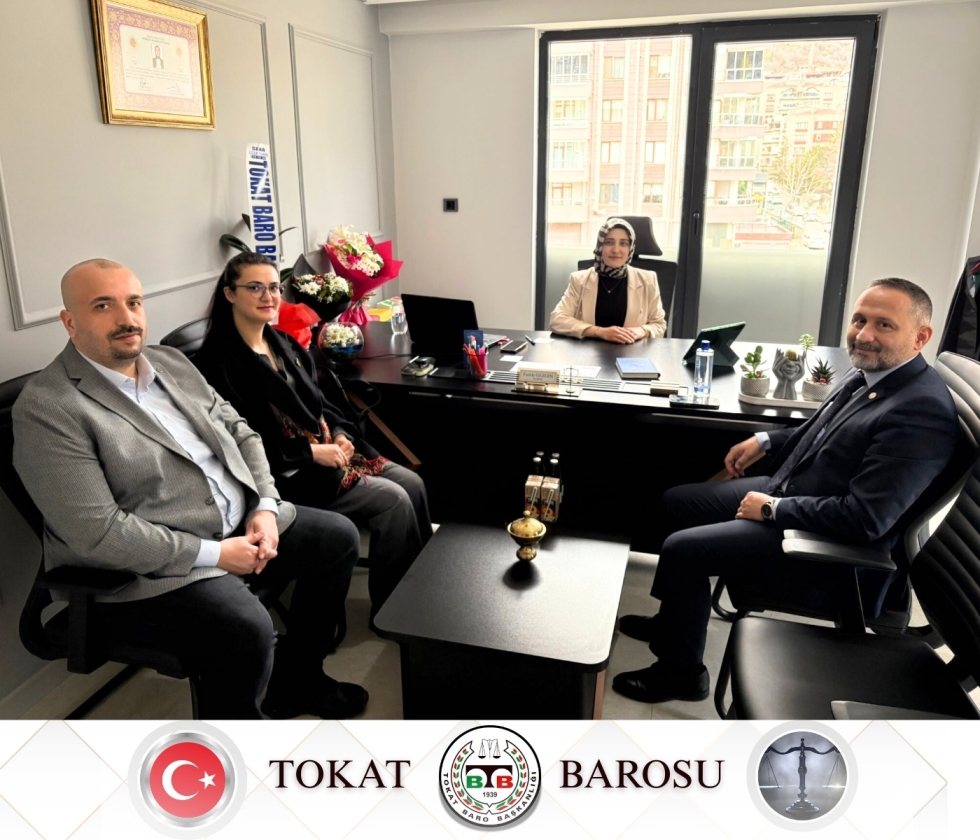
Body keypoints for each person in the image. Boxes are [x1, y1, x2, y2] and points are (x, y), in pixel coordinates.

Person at [12, 259, 368, 720]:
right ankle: (232, 741)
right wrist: (216, 554)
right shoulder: (49, 407)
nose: (127, 318)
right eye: (103, 306)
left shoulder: (169, 362)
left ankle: (299, 679)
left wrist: (264, 505)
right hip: (154, 568)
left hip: (241, 523)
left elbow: (241, 432)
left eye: (134, 302)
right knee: (245, 626)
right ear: (70, 322)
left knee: (336, 538)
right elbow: (96, 533)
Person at [612, 278, 959, 703]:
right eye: (859, 320)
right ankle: (675, 622)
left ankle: (681, 673)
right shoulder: (871, 372)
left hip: (819, 536)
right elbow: (823, 432)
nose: (864, 334)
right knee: (678, 503)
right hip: (794, 493)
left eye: (884, 325)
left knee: (684, 550)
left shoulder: (919, 411)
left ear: (920, 337)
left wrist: (773, 509)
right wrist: (765, 441)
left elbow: (866, 519)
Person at [194, 252, 432, 623]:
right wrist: (310, 453)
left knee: (413, 483)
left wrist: (340, 433)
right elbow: (237, 443)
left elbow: (322, 403)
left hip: (324, 450)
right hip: (286, 475)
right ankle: (393, 613)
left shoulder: (282, 344)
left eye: (274, 287)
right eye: (254, 288)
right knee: (394, 501)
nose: (268, 296)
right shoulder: (216, 364)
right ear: (229, 294)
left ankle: (418, 589)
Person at [550, 218, 667, 343]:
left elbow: (659, 325)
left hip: (631, 351)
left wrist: (642, 330)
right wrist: (599, 332)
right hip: (589, 352)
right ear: (600, 246)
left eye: (623, 243)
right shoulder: (579, 280)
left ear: (630, 248)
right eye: (609, 242)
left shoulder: (648, 280)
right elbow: (557, 320)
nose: (616, 250)